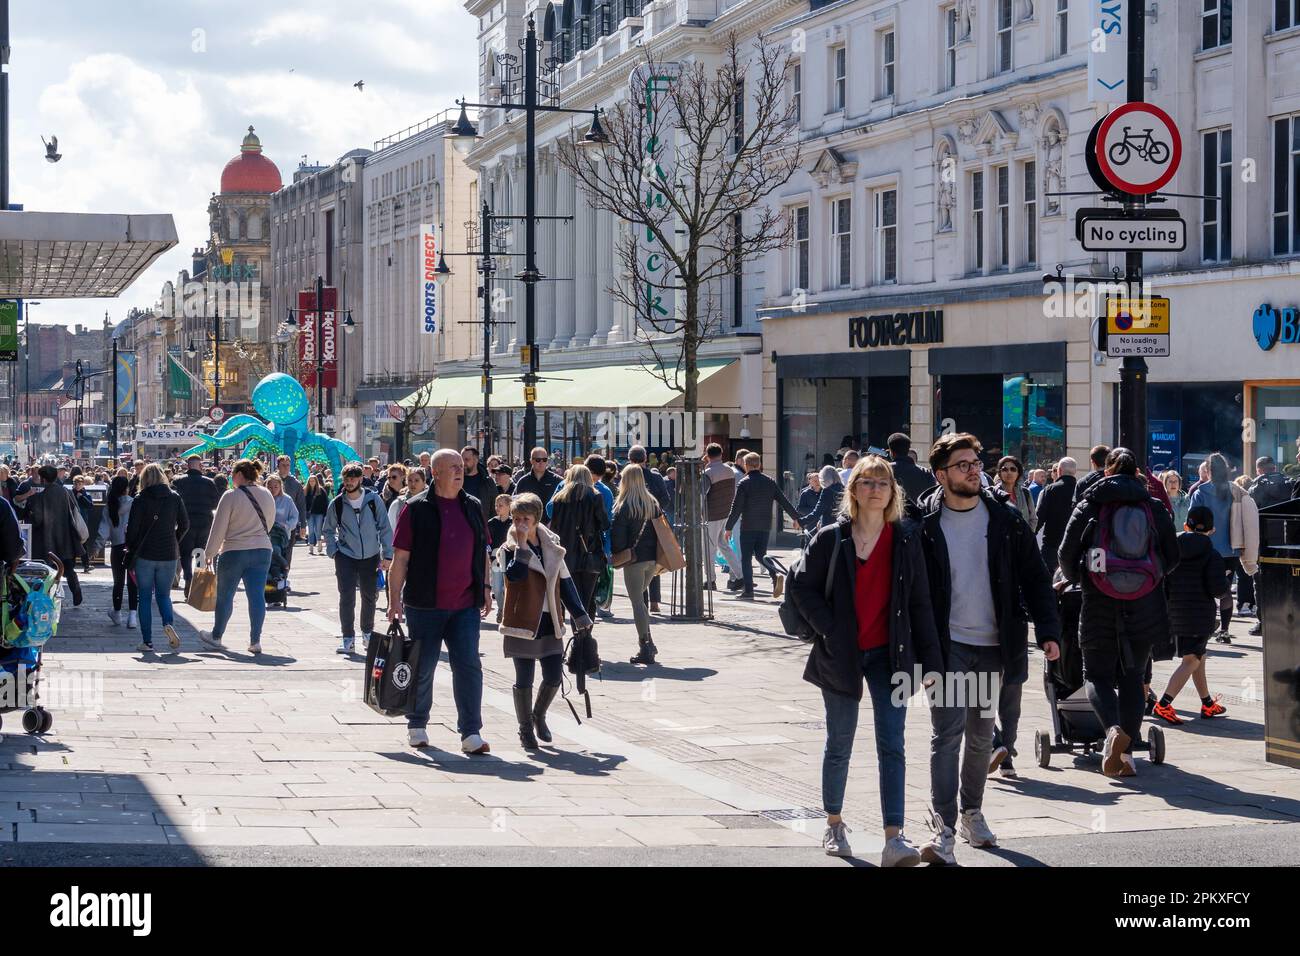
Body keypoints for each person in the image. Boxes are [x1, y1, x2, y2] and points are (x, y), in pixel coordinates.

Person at [791, 455, 944, 866]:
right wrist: (829, 629)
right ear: (853, 490)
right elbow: (801, 589)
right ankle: (835, 823)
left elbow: (920, 603)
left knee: (892, 744)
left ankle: (894, 837)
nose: (875, 488)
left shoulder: (907, 539)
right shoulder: (830, 538)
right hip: (839, 654)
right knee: (839, 742)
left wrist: (931, 664)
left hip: (890, 657)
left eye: (882, 482)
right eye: (866, 482)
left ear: (893, 492)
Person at [918, 433, 1060, 863]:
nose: (975, 470)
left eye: (977, 463)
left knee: (982, 738)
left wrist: (1050, 629)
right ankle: (942, 826)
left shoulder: (1005, 520)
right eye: (963, 465)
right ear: (941, 475)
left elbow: (1036, 577)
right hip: (947, 647)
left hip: (993, 644)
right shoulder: (923, 526)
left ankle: (971, 813)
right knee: (948, 734)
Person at [1059, 447, 1179, 778]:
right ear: (1137, 472)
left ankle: (1112, 730)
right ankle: (1125, 756)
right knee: (1133, 675)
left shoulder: (1090, 503)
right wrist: (1150, 576)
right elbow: (1172, 554)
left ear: (1106, 472)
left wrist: (1080, 576)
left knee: (1096, 674)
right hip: (1144, 602)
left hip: (1098, 598)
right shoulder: (1153, 506)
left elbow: (1066, 553)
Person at [388, 448, 493, 754]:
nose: (460, 471)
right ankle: (417, 724)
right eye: (453, 467)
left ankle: (471, 732)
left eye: (461, 466)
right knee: (423, 666)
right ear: (436, 473)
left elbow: (482, 551)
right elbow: (400, 559)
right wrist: (394, 601)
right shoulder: (416, 508)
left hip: (465, 605)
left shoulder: (472, 505)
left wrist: (485, 587)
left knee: (469, 666)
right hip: (425, 603)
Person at [499, 492, 594, 751]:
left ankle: (538, 715)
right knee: (524, 679)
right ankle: (525, 729)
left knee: (553, 676)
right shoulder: (508, 548)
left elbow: (565, 582)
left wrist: (580, 614)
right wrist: (520, 546)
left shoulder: (552, 546)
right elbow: (514, 577)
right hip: (522, 620)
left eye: (525, 519)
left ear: (536, 519)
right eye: (516, 518)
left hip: (549, 619)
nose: (520, 524)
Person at [1152, 505, 1230, 726]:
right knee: (1191, 660)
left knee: (1198, 657)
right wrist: (1224, 579)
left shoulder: (1172, 549)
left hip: (1175, 611)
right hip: (1200, 614)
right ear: (1212, 530)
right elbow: (1217, 589)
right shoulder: (1211, 554)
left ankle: (1207, 703)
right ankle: (1165, 704)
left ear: (1185, 525)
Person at [198, 459, 276, 656]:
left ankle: (216, 636)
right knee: (257, 595)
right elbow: (271, 521)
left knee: (225, 595)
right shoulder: (267, 494)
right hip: (262, 550)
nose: (232, 479)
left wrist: (209, 554)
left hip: (234, 550)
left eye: (233, 475)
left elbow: (219, 528)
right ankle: (255, 640)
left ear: (240, 475)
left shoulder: (230, 496)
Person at [321, 461, 393, 655]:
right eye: (347, 478)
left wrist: (387, 554)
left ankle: (368, 634)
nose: (350, 481)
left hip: (370, 555)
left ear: (361, 479)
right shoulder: (337, 503)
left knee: (369, 597)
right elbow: (328, 530)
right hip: (345, 556)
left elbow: (385, 527)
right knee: (346, 597)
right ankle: (348, 639)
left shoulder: (372, 500)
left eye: (353, 478)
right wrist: (333, 551)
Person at [1189, 452, 1259, 644]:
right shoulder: (1235, 491)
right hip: (1231, 549)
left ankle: (1208, 625)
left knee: (1205, 590)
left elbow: (1192, 520)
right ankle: (1225, 631)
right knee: (1225, 590)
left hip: (1206, 548)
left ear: (1209, 470)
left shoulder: (1200, 492)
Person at [124, 464, 189, 653]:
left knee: (144, 596)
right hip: (168, 554)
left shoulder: (140, 499)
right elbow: (185, 524)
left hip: (145, 554)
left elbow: (133, 529)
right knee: (163, 595)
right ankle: (168, 623)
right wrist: (174, 540)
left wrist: (131, 547)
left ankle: (147, 641)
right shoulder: (174, 497)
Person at [724, 452, 801, 600]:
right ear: (759, 465)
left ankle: (748, 591)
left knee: (746, 558)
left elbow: (736, 507)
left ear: (746, 465)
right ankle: (775, 574)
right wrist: (795, 518)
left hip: (748, 525)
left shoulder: (744, 483)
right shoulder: (769, 482)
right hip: (765, 525)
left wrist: (728, 527)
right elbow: (784, 501)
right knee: (761, 554)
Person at [611, 463, 664, 665]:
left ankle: (645, 646)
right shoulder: (652, 503)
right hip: (651, 559)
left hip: (633, 559)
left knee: (637, 603)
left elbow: (618, 538)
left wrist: (615, 553)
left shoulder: (624, 505)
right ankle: (649, 641)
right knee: (640, 601)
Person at [547, 464, 610, 622]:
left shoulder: (559, 498)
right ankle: (586, 636)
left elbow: (553, 526)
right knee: (588, 598)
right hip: (590, 553)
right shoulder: (595, 496)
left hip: (567, 555)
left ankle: (578, 635)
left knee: (575, 599)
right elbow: (605, 524)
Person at [28, 465, 86, 606]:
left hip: (47, 539)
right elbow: (75, 510)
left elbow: (37, 520)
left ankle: (52, 598)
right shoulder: (66, 492)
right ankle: (75, 588)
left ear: (43, 479)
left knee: (49, 570)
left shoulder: (40, 497)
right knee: (68, 567)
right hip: (66, 537)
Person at [628, 445, 672, 613]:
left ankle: (643, 601)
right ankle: (654, 602)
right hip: (654, 525)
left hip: (634, 524)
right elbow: (666, 500)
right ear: (645, 458)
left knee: (637, 562)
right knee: (653, 562)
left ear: (630, 460)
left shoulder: (629, 477)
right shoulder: (655, 476)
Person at [173, 454, 221, 595]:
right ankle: (198, 581)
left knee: (185, 553)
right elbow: (215, 502)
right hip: (204, 522)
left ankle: (188, 577)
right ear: (200, 466)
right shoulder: (209, 482)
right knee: (200, 552)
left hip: (186, 522)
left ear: (188, 465)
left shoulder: (179, 482)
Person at [97, 475, 138, 629]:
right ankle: (133, 616)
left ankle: (117, 612)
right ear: (126, 488)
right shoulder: (134, 503)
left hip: (117, 547)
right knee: (133, 582)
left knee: (118, 583)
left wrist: (97, 546)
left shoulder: (109, 506)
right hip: (132, 546)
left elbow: (103, 530)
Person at [701, 442, 742, 592]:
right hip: (726, 513)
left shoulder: (708, 473)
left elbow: (701, 494)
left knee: (708, 549)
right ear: (721, 454)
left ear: (707, 455)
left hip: (712, 515)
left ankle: (710, 580)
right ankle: (740, 575)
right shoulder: (730, 471)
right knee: (724, 546)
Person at [1035, 457, 1076, 574]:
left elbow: (1040, 516)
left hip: (1051, 544)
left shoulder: (1050, 490)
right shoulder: (1080, 489)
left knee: (1048, 580)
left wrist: (1031, 535)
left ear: (1059, 471)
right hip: (1074, 545)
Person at [274, 455, 307, 570]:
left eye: (288, 465)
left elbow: (301, 505)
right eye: (283, 465)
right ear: (278, 466)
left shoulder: (296, 484)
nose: (286, 467)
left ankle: (284, 574)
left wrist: (303, 525)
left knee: (287, 551)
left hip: (290, 524)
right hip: (272, 524)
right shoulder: (271, 481)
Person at [886, 433, 936, 504]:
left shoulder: (885, 470)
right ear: (908, 450)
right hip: (920, 514)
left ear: (891, 452)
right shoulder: (925, 473)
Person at [993, 456, 1038, 532]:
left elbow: (1033, 519)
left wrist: (1027, 537)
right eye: (1005, 469)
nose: (1009, 472)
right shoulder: (993, 493)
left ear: (1018, 473)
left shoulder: (1025, 492)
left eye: (1013, 469)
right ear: (1000, 473)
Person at [510, 447, 562, 513]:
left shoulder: (557, 481)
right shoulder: (523, 481)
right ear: (531, 461)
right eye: (538, 460)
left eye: (544, 459)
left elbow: (563, 506)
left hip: (552, 522)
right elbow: (514, 504)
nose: (541, 462)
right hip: (528, 522)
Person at [487, 493, 512, 619]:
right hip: (495, 558)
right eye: (496, 505)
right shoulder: (491, 523)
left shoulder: (514, 523)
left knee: (506, 587)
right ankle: (501, 608)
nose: (497, 508)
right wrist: (489, 552)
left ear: (509, 506)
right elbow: (486, 541)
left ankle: (505, 612)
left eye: (501, 505)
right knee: (496, 588)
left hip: (509, 559)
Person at [802, 465, 843, 532]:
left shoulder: (827, 491)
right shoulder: (844, 489)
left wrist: (800, 521)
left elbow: (817, 513)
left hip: (828, 528)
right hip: (841, 527)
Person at [386, 467, 428, 533]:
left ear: (424, 482)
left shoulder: (431, 503)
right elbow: (390, 530)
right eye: (410, 480)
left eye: (417, 480)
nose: (413, 484)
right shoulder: (397, 504)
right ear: (406, 481)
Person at [461, 446, 496, 525]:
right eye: (462, 460)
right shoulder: (457, 481)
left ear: (476, 460)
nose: (463, 463)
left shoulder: (488, 482)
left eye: (467, 459)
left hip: (482, 529)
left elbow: (494, 508)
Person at [73, 476, 95, 573]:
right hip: (73, 521)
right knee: (72, 543)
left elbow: (90, 506)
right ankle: (71, 565)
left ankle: (86, 565)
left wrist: (82, 497)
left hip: (83, 522)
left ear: (83, 484)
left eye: (80, 483)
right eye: (76, 483)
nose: (78, 485)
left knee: (83, 543)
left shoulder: (85, 494)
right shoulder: (70, 493)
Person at [304, 474, 330, 555]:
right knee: (311, 530)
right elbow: (303, 503)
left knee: (318, 530)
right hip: (310, 513)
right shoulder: (305, 490)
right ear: (308, 482)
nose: (312, 482)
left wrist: (325, 513)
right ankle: (311, 547)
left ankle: (319, 544)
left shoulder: (321, 490)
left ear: (316, 481)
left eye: (313, 481)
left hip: (319, 513)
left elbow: (325, 502)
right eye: (310, 481)